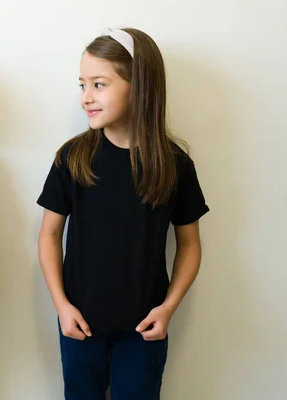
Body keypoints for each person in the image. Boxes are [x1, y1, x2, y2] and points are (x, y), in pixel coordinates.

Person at [37, 28, 209, 400]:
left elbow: (190, 245)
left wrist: (168, 309)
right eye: (82, 85)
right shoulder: (72, 158)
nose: (86, 98)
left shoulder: (174, 165)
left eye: (99, 84)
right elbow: (49, 235)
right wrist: (62, 306)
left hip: (144, 329)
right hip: (79, 326)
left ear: (140, 85)